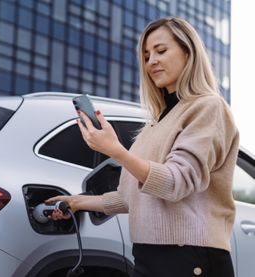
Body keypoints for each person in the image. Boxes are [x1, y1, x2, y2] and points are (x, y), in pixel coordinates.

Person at [47, 17, 239, 277]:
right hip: (148, 253)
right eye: (147, 56)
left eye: (161, 51)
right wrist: (77, 202)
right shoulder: (155, 124)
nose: (152, 62)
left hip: (190, 257)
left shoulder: (207, 107)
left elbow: (175, 184)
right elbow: (132, 197)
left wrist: (116, 150)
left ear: (187, 51)